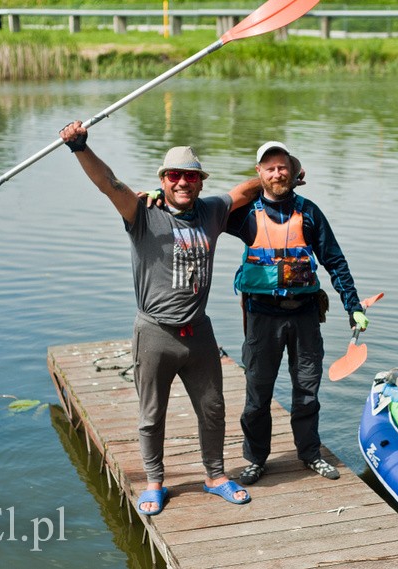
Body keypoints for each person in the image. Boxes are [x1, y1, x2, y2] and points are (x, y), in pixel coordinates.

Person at [59, 121, 262, 516]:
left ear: (200, 182)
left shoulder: (212, 211)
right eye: (174, 176)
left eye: (190, 176)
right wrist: (80, 147)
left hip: (199, 333)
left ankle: (216, 476)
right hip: (155, 333)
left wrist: (281, 174)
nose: (182, 182)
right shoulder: (142, 213)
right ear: (163, 181)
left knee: (213, 408)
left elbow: (244, 191)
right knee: (152, 415)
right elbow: (110, 184)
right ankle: (154, 482)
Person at [227, 141, 369, 485]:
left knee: (307, 390)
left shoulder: (309, 212)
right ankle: (256, 459)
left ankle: (309, 453)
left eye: (282, 166)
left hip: (305, 315)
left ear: (293, 170)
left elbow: (335, 261)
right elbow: (196, 211)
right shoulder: (245, 215)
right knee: (257, 394)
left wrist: (354, 306)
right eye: (269, 167)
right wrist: (161, 195)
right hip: (262, 317)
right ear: (259, 173)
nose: (277, 173)